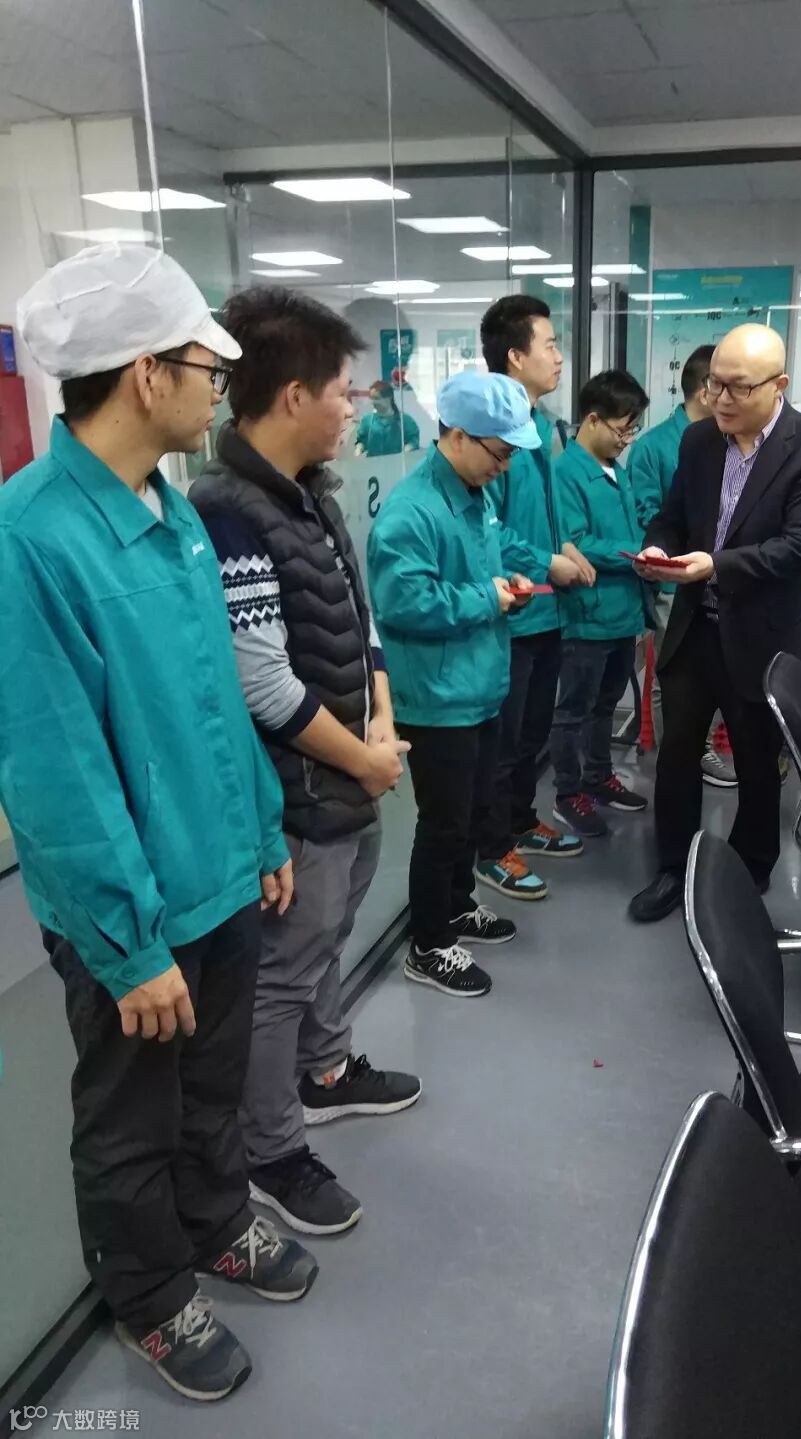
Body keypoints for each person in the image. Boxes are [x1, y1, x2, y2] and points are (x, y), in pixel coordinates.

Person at [0, 245, 312, 1403]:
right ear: (146, 374)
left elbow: (214, 697)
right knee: (131, 1114)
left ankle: (216, 1217)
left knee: (211, 1084)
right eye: (206, 370)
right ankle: (146, 1289)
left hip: (217, 870)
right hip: (130, 907)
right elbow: (54, 768)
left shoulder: (169, 512)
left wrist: (263, 833)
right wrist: (128, 944)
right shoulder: (28, 537)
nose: (217, 392)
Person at [189, 288, 422, 1241]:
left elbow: (360, 626)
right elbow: (263, 684)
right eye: (343, 391)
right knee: (282, 976)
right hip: (300, 793)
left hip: (350, 773)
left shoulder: (311, 494)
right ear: (293, 395)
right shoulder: (226, 510)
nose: (355, 407)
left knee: (325, 943)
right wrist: (364, 759)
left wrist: (383, 720)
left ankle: (326, 1071)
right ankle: (272, 1149)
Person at [628, 324, 801, 923]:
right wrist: (658, 547)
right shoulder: (699, 440)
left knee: (756, 760)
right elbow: (672, 516)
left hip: (763, 635)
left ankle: (751, 869)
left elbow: (798, 547)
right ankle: (673, 868)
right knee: (676, 756)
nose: (720, 399)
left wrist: (714, 565)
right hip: (696, 630)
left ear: (779, 385)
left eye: (737, 388)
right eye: (713, 384)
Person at [368, 371, 547, 996]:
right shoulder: (410, 511)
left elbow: (477, 577)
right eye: (500, 452)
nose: (505, 466)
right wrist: (487, 599)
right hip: (437, 699)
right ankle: (428, 944)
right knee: (443, 825)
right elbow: (402, 603)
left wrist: (508, 591)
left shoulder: (477, 496)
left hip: (479, 686)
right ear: (460, 436)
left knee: (472, 816)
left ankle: (457, 906)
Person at [473, 295, 596, 903]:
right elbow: (489, 530)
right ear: (515, 357)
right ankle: (490, 847)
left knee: (532, 734)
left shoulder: (543, 427)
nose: (559, 357)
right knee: (502, 740)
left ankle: (521, 820)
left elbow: (543, 513)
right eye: (549, 345)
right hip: (513, 612)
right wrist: (547, 562)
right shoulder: (491, 433)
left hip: (548, 610)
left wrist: (564, 545)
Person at [550, 369, 653, 837]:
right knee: (574, 709)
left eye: (632, 430)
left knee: (606, 704)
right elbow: (576, 542)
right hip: (587, 615)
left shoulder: (618, 470)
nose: (626, 440)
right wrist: (635, 554)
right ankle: (568, 792)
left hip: (623, 611)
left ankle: (598, 776)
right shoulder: (566, 473)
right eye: (622, 429)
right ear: (592, 419)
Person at [628, 344, 727, 775]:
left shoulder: (726, 440)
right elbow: (649, 515)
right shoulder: (654, 447)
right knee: (670, 672)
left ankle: (696, 748)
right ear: (706, 390)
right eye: (725, 386)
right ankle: (676, 758)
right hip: (673, 582)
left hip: (717, 579)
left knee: (712, 671)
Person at [355, 378, 420, 457]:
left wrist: (405, 451)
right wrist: (358, 450)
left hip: (397, 463)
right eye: (372, 398)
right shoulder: (367, 421)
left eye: (376, 398)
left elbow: (413, 441)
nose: (373, 402)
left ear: (389, 398)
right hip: (373, 463)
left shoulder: (405, 421)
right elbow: (361, 441)